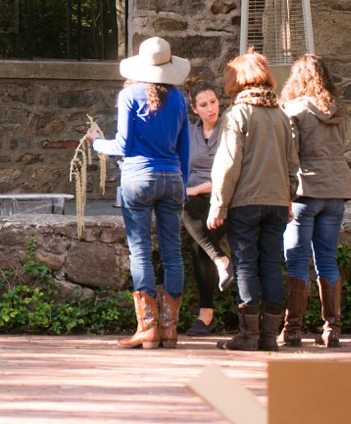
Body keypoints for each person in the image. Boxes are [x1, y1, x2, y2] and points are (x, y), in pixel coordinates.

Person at [87, 37, 190, 349]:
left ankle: (147, 329)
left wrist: (95, 142)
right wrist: (181, 185)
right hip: (172, 178)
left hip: (137, 180)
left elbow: (122, 146)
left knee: (141, 251)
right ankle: (170, 330)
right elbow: (184, 150)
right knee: (172, 251)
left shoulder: (129, 95)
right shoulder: (180, 100)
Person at [208, 50, 299, 352]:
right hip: (276, 202)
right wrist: (288, 197)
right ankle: (269, 336)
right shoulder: (282, 115)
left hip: (246, 202)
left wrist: (218, 205)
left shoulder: (237, 115)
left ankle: (248, 336)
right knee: (272, 264)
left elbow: (229, 163)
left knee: (246, 265)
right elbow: (292, 163)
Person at [279, 54, 351, 348]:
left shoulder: (294, 109)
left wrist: (285, 193)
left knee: (297, 260)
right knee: (327, 260)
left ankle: (292, 329)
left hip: (306, 190)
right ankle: (332, 329)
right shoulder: (337, 109)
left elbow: (291, 155)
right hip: (336, 189)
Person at [180, 78, 233, 336]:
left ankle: (206, 315)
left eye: (213, 102)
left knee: (197, 246)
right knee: (186, 208)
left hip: (225, 198)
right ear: (194, 109)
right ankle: (221, 260)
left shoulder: (230, 128)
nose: (211, 108)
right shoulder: (189, 132)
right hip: (196, 200)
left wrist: (196, 188)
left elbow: (232, 174)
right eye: (204, 104)